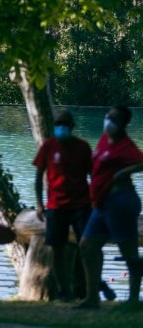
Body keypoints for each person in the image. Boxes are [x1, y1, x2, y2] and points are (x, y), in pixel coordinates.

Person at [77, 105, 143, 309]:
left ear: (123, 123)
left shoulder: (126, 146)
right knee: (87, 246)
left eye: (114, 119)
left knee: (129, 253)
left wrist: (122, 174)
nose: (108, 121)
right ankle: (91, 298)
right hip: (102, 204)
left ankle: (133, 300)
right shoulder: (105, 139)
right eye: (108, 116)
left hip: (120, 202)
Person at [33, 109, 92, 301]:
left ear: (72, 127)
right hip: (56, 206)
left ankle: (89, 289)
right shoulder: (48, 147)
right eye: (58, 124)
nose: (61, 128)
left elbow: (93, 175)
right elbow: (38, 176)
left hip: (81, 205)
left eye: (65, 124)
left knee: (87, 246)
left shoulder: (83, 147)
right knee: (56, 248)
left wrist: (96, 200)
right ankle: (63, 290)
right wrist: (40, 204)